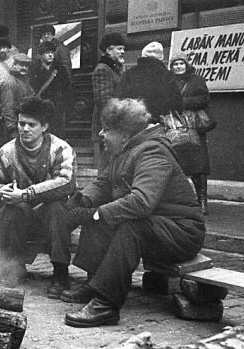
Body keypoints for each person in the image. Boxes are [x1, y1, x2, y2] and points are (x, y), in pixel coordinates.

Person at [60, 98, 205, 327]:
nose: (101, 134)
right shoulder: (123, 151)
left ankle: (106, 304)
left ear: (124, 134)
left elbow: (142, 202)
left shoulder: (152, 152)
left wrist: (94, 213)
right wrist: (80, 202)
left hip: (182, 232)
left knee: (128, 225)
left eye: (106, 130)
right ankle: (96, 282)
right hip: (159, 227)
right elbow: (104, 184)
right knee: (100, 213)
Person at [0, 97, 77, 294]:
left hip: (56, 219)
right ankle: (15, 269)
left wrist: (25, 194)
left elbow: (66, 183)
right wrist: (1, 191)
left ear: (44, 126)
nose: (25, 129)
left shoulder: (60, 148)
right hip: (25, 218)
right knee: (10, 208)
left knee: (56, 207)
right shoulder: (7, 152)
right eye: (21, 123)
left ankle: (60, 273)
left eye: (31, 125)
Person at [170, 53, 212, 214]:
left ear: (186, 65)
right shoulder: (169, 83)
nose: (178, 67)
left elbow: (204, 99)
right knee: (178, 164)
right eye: (175, 64)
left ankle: (202, 201)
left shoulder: (197, 80)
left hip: (194, 127)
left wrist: (183, 103)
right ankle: (183, 200)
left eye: (181, 64)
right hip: (176, 128)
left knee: (198, 166)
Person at [115, 41, 183, 122]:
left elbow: (120, 97)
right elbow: (175, 102)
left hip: (134, 122)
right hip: (159, 123)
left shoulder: (129, 73)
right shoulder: (165, 74)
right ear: (160, 58)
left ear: (143, 55)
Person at [92, 32, 127, 162]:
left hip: (118, 123)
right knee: (108, 164)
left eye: (123, 49)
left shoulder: (117, 69)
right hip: (109, 125)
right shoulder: (103, 69)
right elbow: (104, 101)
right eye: (119, 49)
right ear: (108, 50)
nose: (123, 52)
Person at [30, 40, 72, 139]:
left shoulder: (60, 69)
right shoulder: (34, 69)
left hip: (56, 103)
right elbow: (31, 85)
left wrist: (62, 99)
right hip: (40, 102)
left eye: (52, 53)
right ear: (41, 55)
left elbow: (66, 86)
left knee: (57, 130)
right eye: (47, 53)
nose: (50, 55)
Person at [0, 53, 35, 140]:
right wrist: (12, 129)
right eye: (21, 65)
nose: (24, 68)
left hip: (23, 124)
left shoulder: (24, 80)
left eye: (26, 66)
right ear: (14, 65)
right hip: (15, 127)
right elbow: (8, 107)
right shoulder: (10, 83)